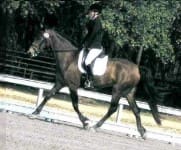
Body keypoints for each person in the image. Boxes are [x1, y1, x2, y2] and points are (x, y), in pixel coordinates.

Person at [82, 3, 103, 88]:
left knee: (87, 62)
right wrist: (82, 43)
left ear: (95, 13)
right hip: (90, 45)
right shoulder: (92, 21)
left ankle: (90, 80)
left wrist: (87, 44)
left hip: (95, 46)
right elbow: (88, 35)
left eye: (90, 12)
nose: (89, 13)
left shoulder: (97, 22)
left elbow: (93, 35)